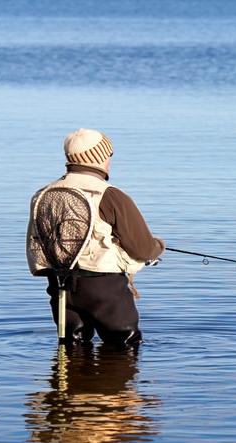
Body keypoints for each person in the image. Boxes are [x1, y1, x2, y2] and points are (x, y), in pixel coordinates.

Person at [26, 129, 165, 345]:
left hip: (60, 284)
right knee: (125, 346)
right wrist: (158, 246)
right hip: (103, 287)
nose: (110, 160)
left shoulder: (44, 193)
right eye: (109, 154)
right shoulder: (110, 195)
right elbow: (142, 249)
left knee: (72, 348)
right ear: (98, 157)